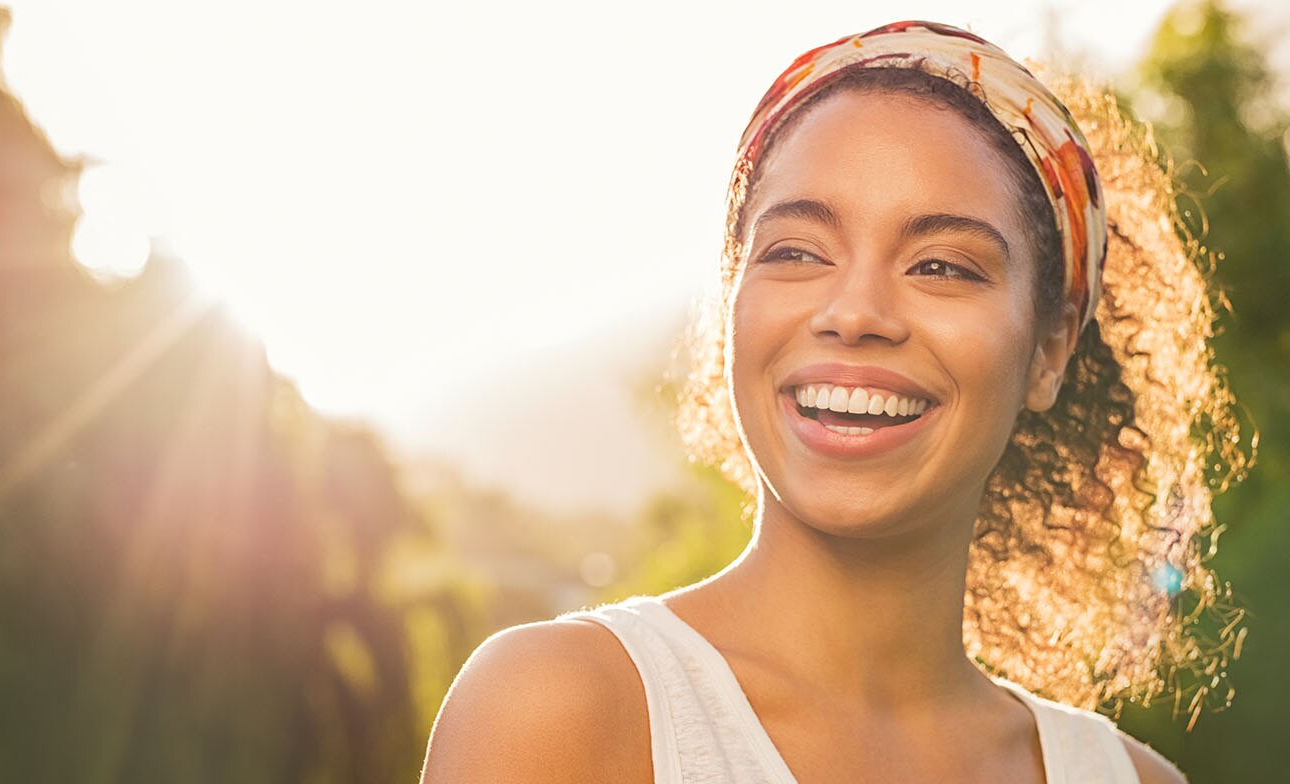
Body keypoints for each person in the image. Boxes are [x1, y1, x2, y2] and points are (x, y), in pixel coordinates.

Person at [421, 21, 1241, 783]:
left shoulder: (1126, 778)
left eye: (942, 266)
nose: (853, 313)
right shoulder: (559, 713)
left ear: (1051, 348)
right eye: (796, 251)